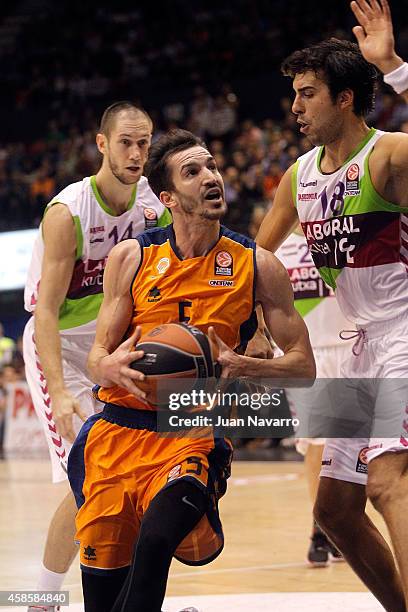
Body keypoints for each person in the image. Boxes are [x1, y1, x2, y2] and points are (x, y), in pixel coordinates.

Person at [67, 128, 315, 612]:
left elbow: (303, 366)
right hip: (117, 434)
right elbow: (97, 357)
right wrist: (109, 366)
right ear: (168, 198)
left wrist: (242, 364)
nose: (210, 178)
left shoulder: (257, 264)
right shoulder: (132, 257)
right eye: (193, 172)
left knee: (156, 542)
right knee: (103, 597)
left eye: (212, 167)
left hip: (191, 434)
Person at [256, 1, 408, 608]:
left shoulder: (389, 155)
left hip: (401, 334)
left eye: (308, 93)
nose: (295, 106)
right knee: (335, 510)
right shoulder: (299, 177)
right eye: (294, 93)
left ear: (345, 98)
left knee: (389, 484)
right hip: (349, 351)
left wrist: (394, 67)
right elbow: (253, 258)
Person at [22, 101, 172, 612]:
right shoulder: (68, 212)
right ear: (102, 144)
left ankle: (125, 596)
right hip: (60, 346)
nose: (135, 153)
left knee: (136, 475)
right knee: (89, 476)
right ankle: (42, 598)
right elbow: (45, 312)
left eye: (144, 144)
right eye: (126, 142)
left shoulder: (154, 205)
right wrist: (60, 392)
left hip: (114, 348)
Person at [275, 227, 350, 566]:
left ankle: (343, 526)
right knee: (316, 443)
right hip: (309, 355)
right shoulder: (277, 249)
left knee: (353, 446)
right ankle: (320, 528)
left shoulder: (344, 234)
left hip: (355, 348)